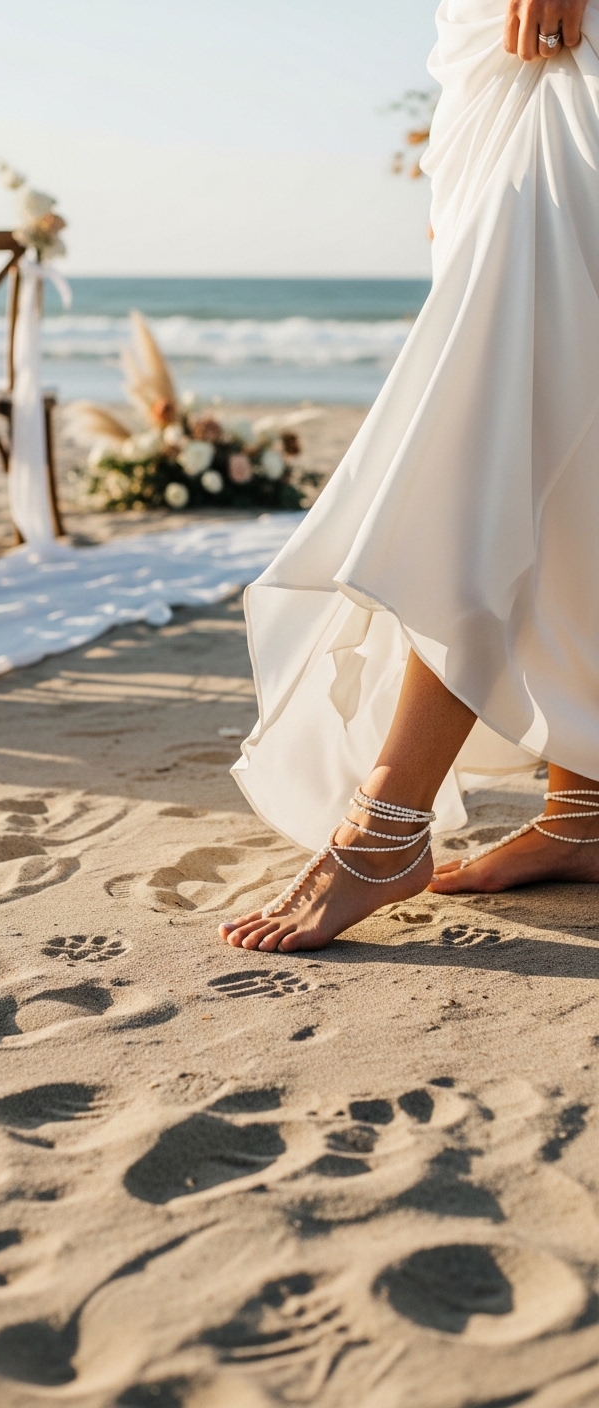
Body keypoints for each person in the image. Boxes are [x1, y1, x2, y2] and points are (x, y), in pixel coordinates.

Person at [220, 0, 599, 955]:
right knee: (555, 390)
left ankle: (387, 823)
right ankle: (584, 807)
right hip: (486, 39)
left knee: (499, 397)